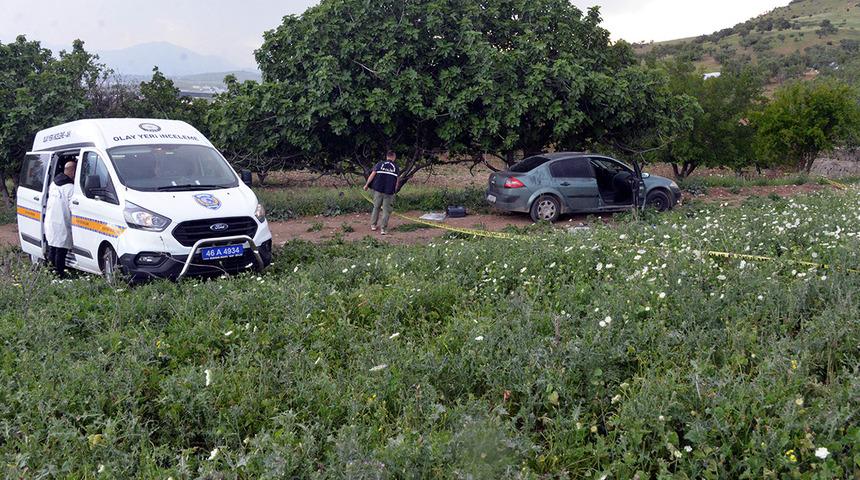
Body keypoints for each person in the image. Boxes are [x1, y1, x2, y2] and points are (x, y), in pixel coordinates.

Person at [44, 160, 77, 278]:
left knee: (52, 248)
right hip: (62, 222)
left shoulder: (53, 184)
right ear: (72, 172)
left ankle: (50, 273)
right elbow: (74, 208)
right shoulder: (70, 188)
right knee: (60, 251)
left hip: (51, 221)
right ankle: (59, 275)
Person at [363, 150, 400, 235]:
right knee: (386, 210)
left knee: (376, 207)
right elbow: (397, 181)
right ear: (394, 157)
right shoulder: (396, 167)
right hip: (389, 192)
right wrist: (395, 190)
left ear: (387, 156)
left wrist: (367, 185)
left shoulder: (380, 164)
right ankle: (383, 229)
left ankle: (373, 225)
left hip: (378, 190)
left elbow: (372, 175)